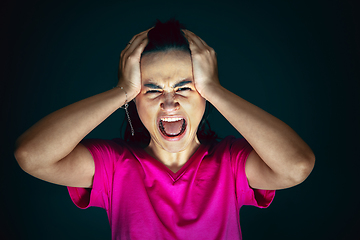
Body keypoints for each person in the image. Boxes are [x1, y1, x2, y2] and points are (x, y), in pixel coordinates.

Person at [14, 18, 315, 240]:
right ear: (134, 100)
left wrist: (215, 88)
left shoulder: (231, 164)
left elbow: (297, 166)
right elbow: (31, 156)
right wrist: (122, 89)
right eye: (152, 90)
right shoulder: (115, 167)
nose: (169, 104)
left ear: (205, 97)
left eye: (184, 88)